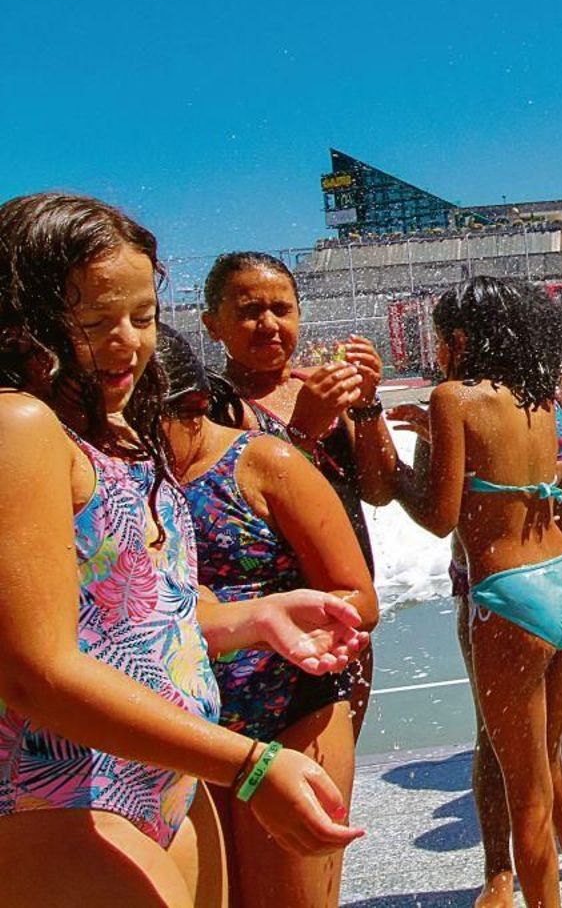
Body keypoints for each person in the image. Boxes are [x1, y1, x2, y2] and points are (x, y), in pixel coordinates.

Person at [0, 193, 364, 907]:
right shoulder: (18, 426)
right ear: (23, 320)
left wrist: (251, 617)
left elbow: (126, 616)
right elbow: (34, 672)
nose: (127, 343)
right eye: (95, 321)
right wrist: (251, 765)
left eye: (142, 316)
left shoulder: (115, 429)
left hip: (165, 780)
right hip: (61, 796)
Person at [375, 276, 562, 908]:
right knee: (555, 769)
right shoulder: (538, 400)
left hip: (508, 597)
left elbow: (439, 514)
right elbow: (549, 473)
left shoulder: (452, 398)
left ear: (458, 338)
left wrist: (395, 468)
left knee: (527, 791)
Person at [161, 327, 379, 908]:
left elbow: (361, 598)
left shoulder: (263, 462)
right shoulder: (138, 478)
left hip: (289, 708)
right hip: (185, 728)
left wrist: (286, 623)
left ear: (193, 406)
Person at [201, 252, 399, 730]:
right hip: (264, 628)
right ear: (213, 325)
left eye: (281, 309)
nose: (268, 324)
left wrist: (368, 406)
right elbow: (228, 512)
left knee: (337, 764)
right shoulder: (213, 408)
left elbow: (378, 490)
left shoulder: (322, 386)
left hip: (346, 610)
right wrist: (304, 433)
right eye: (249, 311)